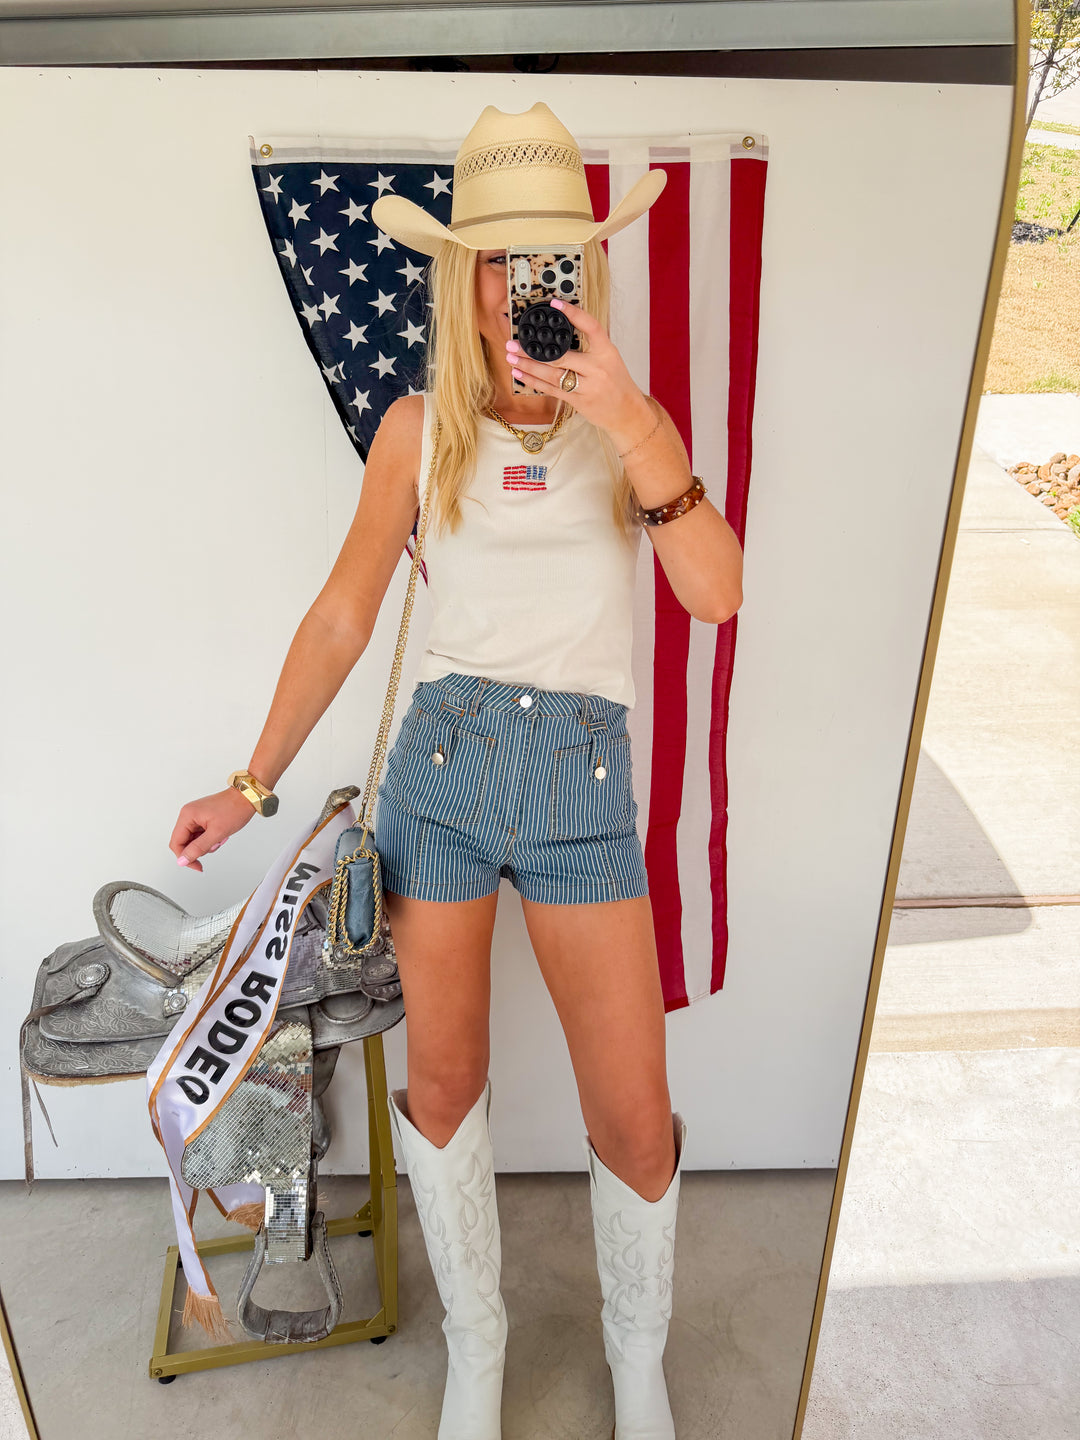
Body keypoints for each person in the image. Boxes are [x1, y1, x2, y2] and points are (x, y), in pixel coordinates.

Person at [170, 101, 743, 1440]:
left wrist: (632, 419)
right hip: (443, 774)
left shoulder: (629, 428)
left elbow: (714, 593)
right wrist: (249, 786)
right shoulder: (418, 428)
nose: (520, 282)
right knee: (441, 1086)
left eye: (549, 255)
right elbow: (343, 615)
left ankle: (637, 1359)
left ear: (580, 269)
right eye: (498, 257)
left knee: (635, 1114)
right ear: (463, 275)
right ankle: (477, 1348)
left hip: (580, 788)